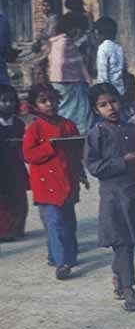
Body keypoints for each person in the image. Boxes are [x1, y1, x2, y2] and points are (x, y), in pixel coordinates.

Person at [84, 83, 135, 311]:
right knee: (122, 243)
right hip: (113, 196)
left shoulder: (131, 129)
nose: (111, 108)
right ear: (96, 109)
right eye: (103, 105)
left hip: (134, 191)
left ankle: (119, 275)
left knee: (130, 241)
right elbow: (94, 166)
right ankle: (129, 290)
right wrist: (122, 161)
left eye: (114, 101)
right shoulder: (96, 133)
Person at [22, 83, 83, 279]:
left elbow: (76, 152)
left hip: (67, 182)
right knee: (54, 223)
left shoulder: (68, 125)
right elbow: (28, 155)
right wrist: (50, 146)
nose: (50, 104)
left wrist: (81, 173)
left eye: (53, 100)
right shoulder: (35, 129)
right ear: (34, 105)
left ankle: (68, 256)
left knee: (69, 222)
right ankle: (61, 262)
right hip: (45, 185)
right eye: (43, 101)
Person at [47, 14, 93, 134]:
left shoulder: (55, 41)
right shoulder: (65, 41)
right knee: (77, 110)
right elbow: (70, 62)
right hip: (70, 81)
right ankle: (78, 131)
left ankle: (64, 131)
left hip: (57, 80)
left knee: (63, 107)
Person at [0, 84, 29, 241]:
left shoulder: (18, 123)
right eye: (4, 101)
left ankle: (17, 229)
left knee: (19, 198)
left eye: (11, 101)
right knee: (2, 201)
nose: (8, 104)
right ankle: (4, 231)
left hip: (16, 166)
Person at [94, 16, 127, 98]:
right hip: (121, 90)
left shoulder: (102, 48)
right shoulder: (119, 48)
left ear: (98, 33)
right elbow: (124, 69)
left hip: (109, 91)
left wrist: (101, 92)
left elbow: (103, 75)